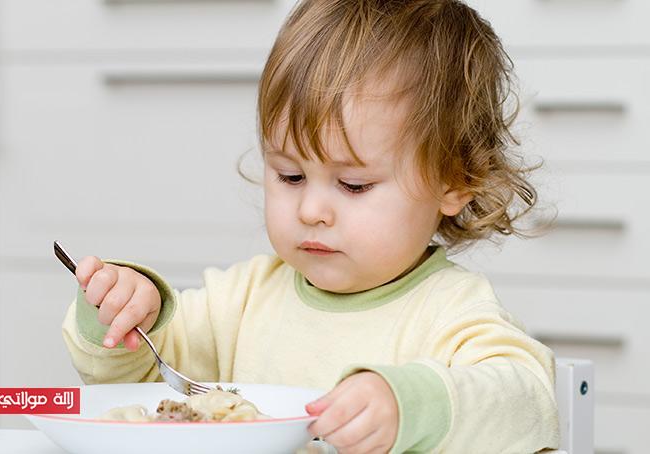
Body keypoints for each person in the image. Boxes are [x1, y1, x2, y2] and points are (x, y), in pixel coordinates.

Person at [62, 1, 560, 452]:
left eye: (354, 185)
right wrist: (122, 315)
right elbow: (136, 384)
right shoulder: (241, 302)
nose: (311, 210)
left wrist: (411, 405)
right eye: (291, 176)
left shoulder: (452, 312)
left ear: (455, 180)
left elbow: (528, 402)